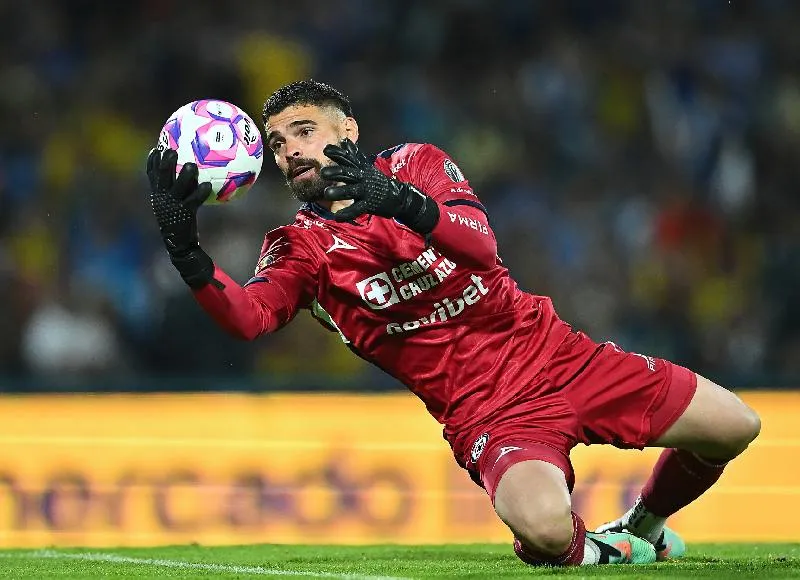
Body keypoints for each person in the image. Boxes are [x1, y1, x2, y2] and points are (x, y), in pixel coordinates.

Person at [146, 80, 761, 567]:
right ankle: (608, 552)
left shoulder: (416, 164)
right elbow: (250, 319)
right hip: (488, 413)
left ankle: (643, 523)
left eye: (304, 132)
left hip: (562, 357)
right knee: (548, 532)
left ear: (348, 130)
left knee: (736, 426)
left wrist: (396, 200)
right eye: (278, 144)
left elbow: (481, 247)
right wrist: (185, 250)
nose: (291, 152)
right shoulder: (300, 247)